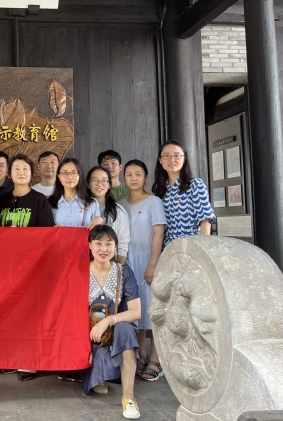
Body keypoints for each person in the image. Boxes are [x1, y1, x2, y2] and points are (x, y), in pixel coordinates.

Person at [0, 154, 55, 381]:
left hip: (31, 267)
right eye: (17, 169)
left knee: (30, 314)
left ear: (32, 174)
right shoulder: (0, 198)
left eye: (25, 169)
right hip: (5, 267)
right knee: (9, 312)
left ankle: (28, 361)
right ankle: (12, 357)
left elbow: (47, 236)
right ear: (9, 173)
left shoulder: (39, 200)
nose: (21, 173)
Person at [82, 225, 142, 420]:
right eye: (98, 243)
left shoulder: (123, 272)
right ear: (89, 245)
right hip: (90, 337)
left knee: (125, 329)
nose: (103, 248)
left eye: (109, 243)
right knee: (99, 385)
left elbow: (136, 312)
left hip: (117, 335)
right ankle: (100, 373)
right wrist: (82, 345)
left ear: (115, 246)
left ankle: (128, 398)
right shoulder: (80, 271)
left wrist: (109, 320)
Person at [119, 160, 166, 382]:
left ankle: (157, 359)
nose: (134, 178)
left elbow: (158, 233)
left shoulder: (154, 202)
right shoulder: (121, 204)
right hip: (129, 263)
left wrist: (152, 264)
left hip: (148, 260)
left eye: (138, 174)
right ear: (124, 178)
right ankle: (142, 355)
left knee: (153, 311)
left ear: (146, 177)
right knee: (136, 310)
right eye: (129, 174)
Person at [151, 139, 215, 246]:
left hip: (191, 247)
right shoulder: (160, 189)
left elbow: (205, 220)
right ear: (160, 160)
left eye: (177, 155)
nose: (172, 160)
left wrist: (202, 249)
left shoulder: (195, 184)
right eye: (166, 156)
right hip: (168, 250)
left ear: (184, 159)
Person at [86, 166, 131, 264]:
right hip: (84, 264)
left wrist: (118, 267)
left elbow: (123, 244)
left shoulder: (118, 211)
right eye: (95, 180)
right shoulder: (80, 209)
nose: (99, 184)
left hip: (111, 265)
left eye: (104, 180)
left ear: (109, 184)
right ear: (88, 184)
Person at [49, 158, 103, 229]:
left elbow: (97, 232)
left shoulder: (92, 203)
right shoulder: (50, 203)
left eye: (74, 173)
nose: (69, 177)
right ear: (58, 176)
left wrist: (100, 220)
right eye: (65, 173)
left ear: (80, 175)